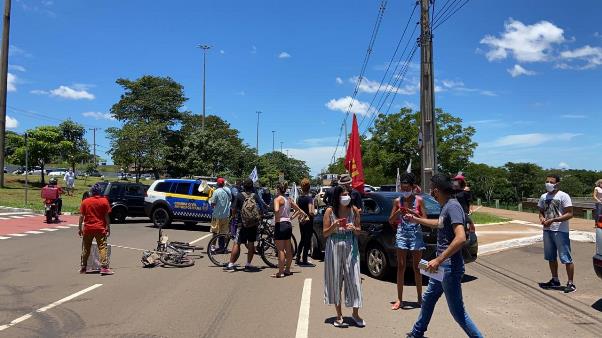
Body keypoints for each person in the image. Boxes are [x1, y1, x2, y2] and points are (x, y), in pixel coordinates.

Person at [405, 173, 482, 338]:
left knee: (458, 313)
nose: (430, 192)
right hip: (442, 268)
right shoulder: (447, 205)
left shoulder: (452, 206)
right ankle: (417, 333)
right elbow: (439, 224)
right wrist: (416, 220)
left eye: (432, 188)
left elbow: (460, 237)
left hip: (449, 267)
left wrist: (439, 259)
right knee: (428, 298)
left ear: (437, 190)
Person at [323, 185, 365, 328]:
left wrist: (355, 228)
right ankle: (339, 314)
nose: (346, 196)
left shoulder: (354, 210)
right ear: (337, 197)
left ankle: (355, 313)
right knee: (335, 280)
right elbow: (325, 233)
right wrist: (334, 226)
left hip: (350, 246)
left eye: (348, 194)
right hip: (334, 246)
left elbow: (359, 231)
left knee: (354, 280)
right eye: (343, 194)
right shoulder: (330, 211)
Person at [388, 172, 426, 310]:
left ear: (413, 187)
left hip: (416, 233)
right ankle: (399, 299)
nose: (404, 191)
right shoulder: (397, 201)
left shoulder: (419, 200)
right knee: (401, 266)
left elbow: (425, 219)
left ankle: (420, 298)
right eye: (402, 189)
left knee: (417, 268)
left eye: (407, 189)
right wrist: (399, 212)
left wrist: (413, 213)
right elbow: (390, 220)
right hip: (402, 234)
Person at [538, 174, 575, 293]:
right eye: (547, 181)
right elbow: (541, 212)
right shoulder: (543, 197)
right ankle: (555, 279)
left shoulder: (563, 196)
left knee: (566, 257)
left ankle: (570, 283)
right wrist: (542, 219)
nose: (548, 183)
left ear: (557, 184)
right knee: (551, 257)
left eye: (551, 182)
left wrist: (554, 220)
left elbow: (569, 213)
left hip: (560, 230)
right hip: (547, 230)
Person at [224, 179, 265, 272]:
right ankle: (248, 264)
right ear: (252, 186)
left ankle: (231, 264)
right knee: (251, 243)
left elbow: (233, 209)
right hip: (253, 224)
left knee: (237, 243)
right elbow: (262, 209)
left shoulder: (239, 195)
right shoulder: (255, 196)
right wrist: (260, 217)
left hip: (241, 223)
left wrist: (233, 217)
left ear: (243, 186)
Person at [272, 182, 308, 278]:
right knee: (288, 248)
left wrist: (277, 218)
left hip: (280, 224)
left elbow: (276, 210)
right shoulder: (288, 199)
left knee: (280, 249)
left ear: (278, 190)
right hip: (288, 224)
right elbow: (298, 210)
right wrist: (291, 218)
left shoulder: (278, 199)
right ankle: (287, 269)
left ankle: (280, 272)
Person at [79, 183, 113, 275]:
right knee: (102, 247)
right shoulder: (104, 201)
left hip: (88, 228)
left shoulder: (85, 202)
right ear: (100, 191)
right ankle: (104, 267)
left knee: (86, 248)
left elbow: (81, 216)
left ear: (91, 192)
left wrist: (79, 228)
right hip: (100, 228)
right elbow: (106, 216)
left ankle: (83, 267)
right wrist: (108, 227)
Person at [296, 178, 315, 266]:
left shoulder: (299, 198)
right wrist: (314, 212)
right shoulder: (309, 198)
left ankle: (297, 257)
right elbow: (311, 211)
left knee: (302, 239)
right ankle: (304, 259)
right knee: (307, 240)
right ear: (309, 187)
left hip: (301, 220)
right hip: (308, 221)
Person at [209, 178, 232, 251]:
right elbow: (230, 199)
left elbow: (213, 204)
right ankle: (222, 247)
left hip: (217, 215)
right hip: (226, 215)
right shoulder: (228, 190)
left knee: (215, 231)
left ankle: (213, 246)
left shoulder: (216, 192)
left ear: (218, 184)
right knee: (223, 232)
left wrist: (210, 202)